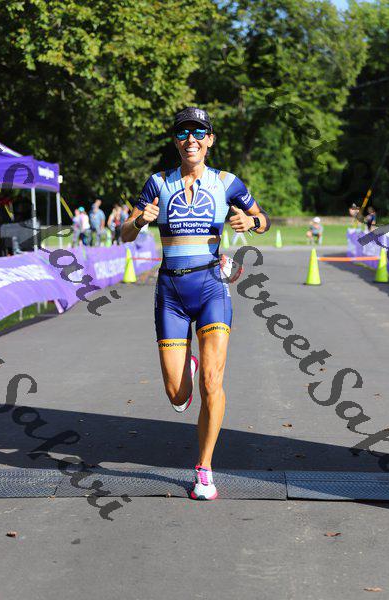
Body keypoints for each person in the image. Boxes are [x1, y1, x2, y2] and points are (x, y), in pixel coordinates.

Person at [121, 106, 270, 500]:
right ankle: (185, 367)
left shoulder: (227, 182)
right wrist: (140, 221)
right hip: (170, 294)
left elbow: (263, 219)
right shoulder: (157, 182)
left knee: (212, 382)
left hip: (211, 290)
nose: (191, 139)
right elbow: (124, 233)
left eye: (199, 132)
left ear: (210, 140)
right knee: (176, 394)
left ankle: (204, 468)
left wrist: (251, 223)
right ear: (176, 140)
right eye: (184, 132)